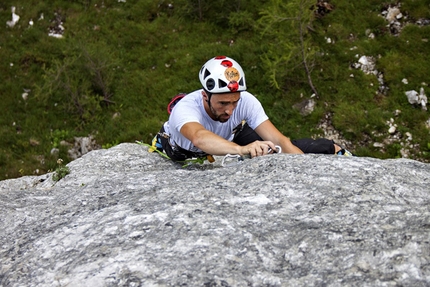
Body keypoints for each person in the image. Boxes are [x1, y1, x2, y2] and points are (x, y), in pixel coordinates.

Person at [151, 55, 352, 163]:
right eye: (223, 104)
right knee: (257, 149)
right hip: (187, 151)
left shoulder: (246, 100)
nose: (230, 111)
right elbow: (199, 137)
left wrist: (303, 170)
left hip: (232, 135)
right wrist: (241, 149)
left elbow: (279, 139)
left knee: (274, 149)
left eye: (234, 102)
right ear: (205, 95)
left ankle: (332, 149)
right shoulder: (186, 108)